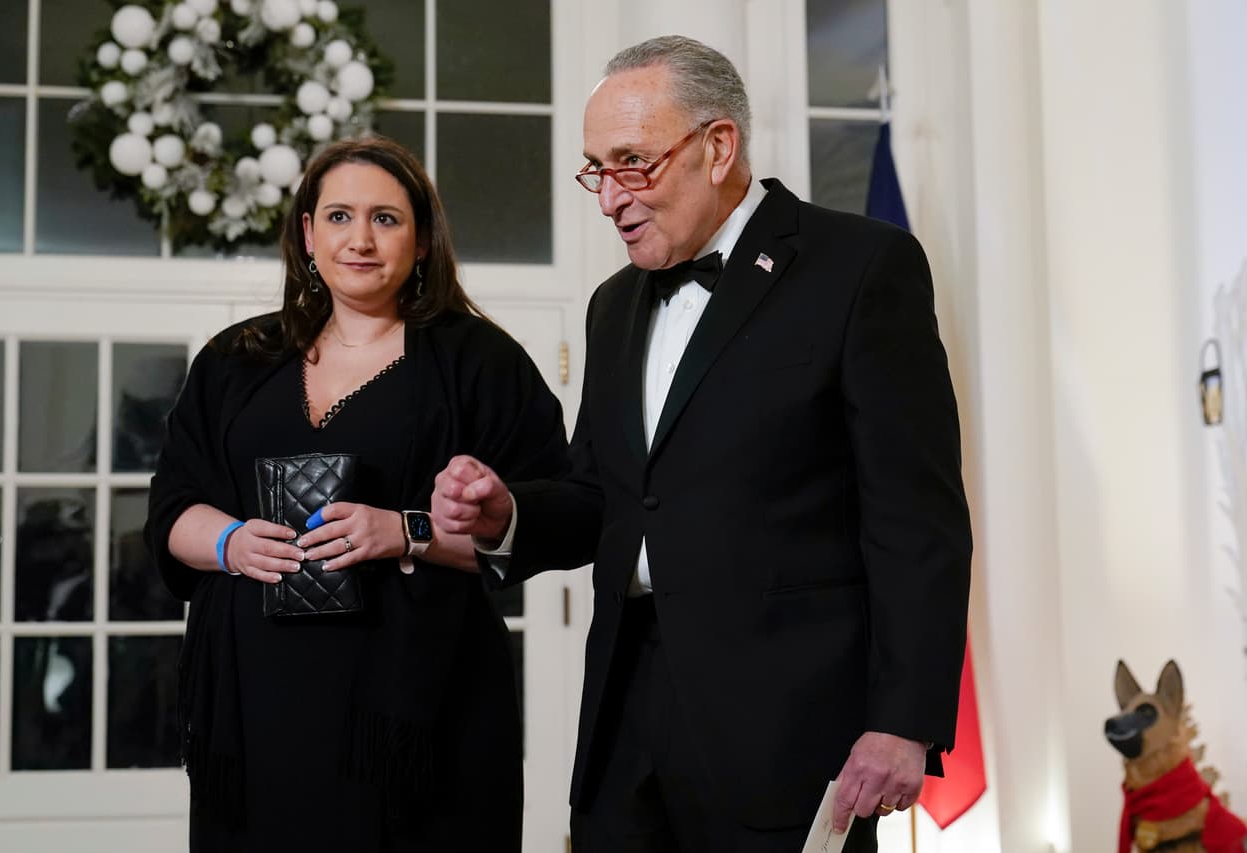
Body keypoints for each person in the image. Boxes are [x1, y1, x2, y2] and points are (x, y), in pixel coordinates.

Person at [432, 36, 972, 852]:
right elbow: (603, 496)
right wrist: (507, 513)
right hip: (625, 730)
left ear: (718, 147)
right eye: (596, 171)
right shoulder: (614, 305)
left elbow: (915, 517)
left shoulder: (862, 267)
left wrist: (904, 723)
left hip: (788, 738)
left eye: (632, 164)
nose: (610, 198)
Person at [144, 136, 568, 853]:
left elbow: (561, 518)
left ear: (424, 238)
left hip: (421, 719)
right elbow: (171, 507)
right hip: (255, 709)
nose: (360, 239)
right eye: (339, 217)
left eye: (387, 219)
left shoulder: (481, 363)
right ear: (308, 234)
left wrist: (405, 530)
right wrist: (230, 542)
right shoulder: (234, 360)